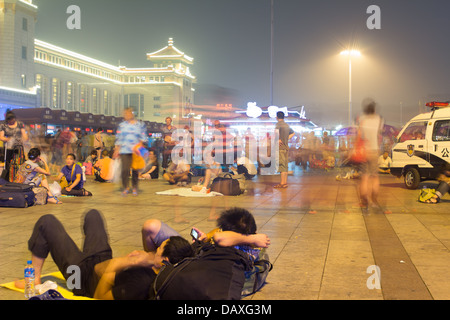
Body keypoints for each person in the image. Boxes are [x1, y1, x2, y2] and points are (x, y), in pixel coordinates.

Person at [14, 209, 194, 300]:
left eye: (159, 249)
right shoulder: (156, 268)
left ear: (165, 260)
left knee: (47, 222)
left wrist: (123, 263)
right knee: (93, 215)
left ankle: (35, 277)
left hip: (81, 280)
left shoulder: (140, 284)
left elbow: (99, 295)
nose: (154, 249)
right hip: (101, 261)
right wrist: (138, 260)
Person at [357, 99, 384, 208]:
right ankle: (374, 201)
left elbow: (360, 135)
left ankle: (364, 201)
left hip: (364, 151)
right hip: (374, 150)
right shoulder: (379, 119)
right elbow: (379, 135)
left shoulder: (362, 119)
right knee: (375, 176)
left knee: (365, 177)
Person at [113, 108, 147, 196]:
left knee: (135, 169)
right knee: (124, 169)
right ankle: (126, 187)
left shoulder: (140, 125)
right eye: (125, 113)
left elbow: (143, 137)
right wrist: (116, 149)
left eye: (128, 113)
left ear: (132, 114)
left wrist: (139, 147)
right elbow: (119, 138)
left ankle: (135, 187)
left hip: (136, 150)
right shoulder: (122, 125)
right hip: (124, 150)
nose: (126, 115)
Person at [0, 111, 29, 181]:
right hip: (9, 148)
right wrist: (8, 139)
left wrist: (25, 139)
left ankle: (18, 178)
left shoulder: (20, 124)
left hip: (19, 147)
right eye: (9, 120)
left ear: (14, 119)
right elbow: (1, 137)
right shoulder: (3, 125)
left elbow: (24, 135)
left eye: (12, 120)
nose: (10, 121)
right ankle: (7, 179)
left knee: (19, 163)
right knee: (8, 164)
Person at [274, 111, 294, 188]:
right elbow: (293, 133)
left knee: (281, 165)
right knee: (285, 165)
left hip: (280, 148)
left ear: (277, 117)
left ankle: (282, 183)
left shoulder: (278, 124)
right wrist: (286, 139)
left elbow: (276, 134)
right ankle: (284, 182)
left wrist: (278, 139)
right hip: (286, 148)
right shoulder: (286, 125)